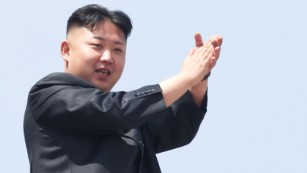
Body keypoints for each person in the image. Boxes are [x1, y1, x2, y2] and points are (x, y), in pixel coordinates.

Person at [23, 4, 223, 173]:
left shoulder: (131, 121)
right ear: (66, 50)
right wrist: (185, 78)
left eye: (117, 50)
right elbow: (115, 110)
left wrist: (198, 79)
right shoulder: (47, 94)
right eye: (97, 46)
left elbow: (177, 128)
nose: (108, 57)